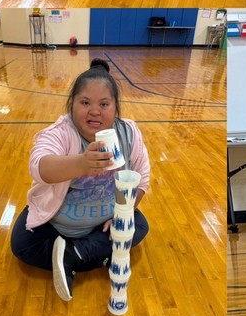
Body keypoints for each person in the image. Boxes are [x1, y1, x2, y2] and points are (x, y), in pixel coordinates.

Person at [10, 58, 150, 302]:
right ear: (71, 105)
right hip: (57, 225)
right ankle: (93, 255)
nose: (94, 111)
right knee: (21, 243)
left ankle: (72, 256)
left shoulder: (128, 133)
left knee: (138, 226)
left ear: (115, 108)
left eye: (104, 104)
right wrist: (81, 163)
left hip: (102, 223)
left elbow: (143, 179)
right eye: (85, 102)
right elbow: (38, 165)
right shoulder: (62, 132)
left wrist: (123, 212)